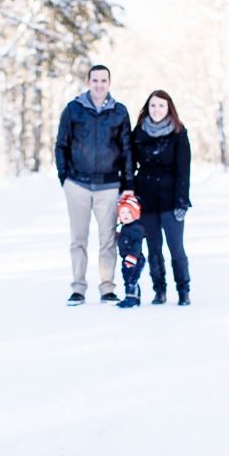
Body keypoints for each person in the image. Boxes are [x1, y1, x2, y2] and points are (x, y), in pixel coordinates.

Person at [55, 65, 134, 306]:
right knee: (78, 239)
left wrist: (128, 183)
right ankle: (78, 288)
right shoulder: (73, 110)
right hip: (77, 184)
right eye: (95, 80)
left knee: (108, 239)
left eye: (104, 80)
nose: (99, 84)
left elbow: (127, 150)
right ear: (88, 82)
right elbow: (61, 145)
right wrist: (64, 178)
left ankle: (107, 288)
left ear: (109, 83)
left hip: (109, 185)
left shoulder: (119, 112)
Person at [131, 90, 192, 305]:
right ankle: (159, 290)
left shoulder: (178, 133)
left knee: (176, 246)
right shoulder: (138, 133)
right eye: (153, 105)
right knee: (153, 247)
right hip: (145, 199)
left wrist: (182, 201)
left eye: (161, 106)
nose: (156, 110)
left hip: (171, 198)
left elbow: (184, 170)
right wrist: (129, 194)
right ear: (147, 107)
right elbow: (129, 165)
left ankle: (183, 290)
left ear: (169, 109)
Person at [115, 195, 145, 308]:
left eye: (129, 212)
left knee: (131, 278)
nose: (125, 215)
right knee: (129, 277)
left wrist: (133, 257)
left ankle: (131, 297)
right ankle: (136, 297)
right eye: (122, 212)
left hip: (135, 258)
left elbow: (137, 243)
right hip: (127, 257)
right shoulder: (124, 227)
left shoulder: (136, 227)